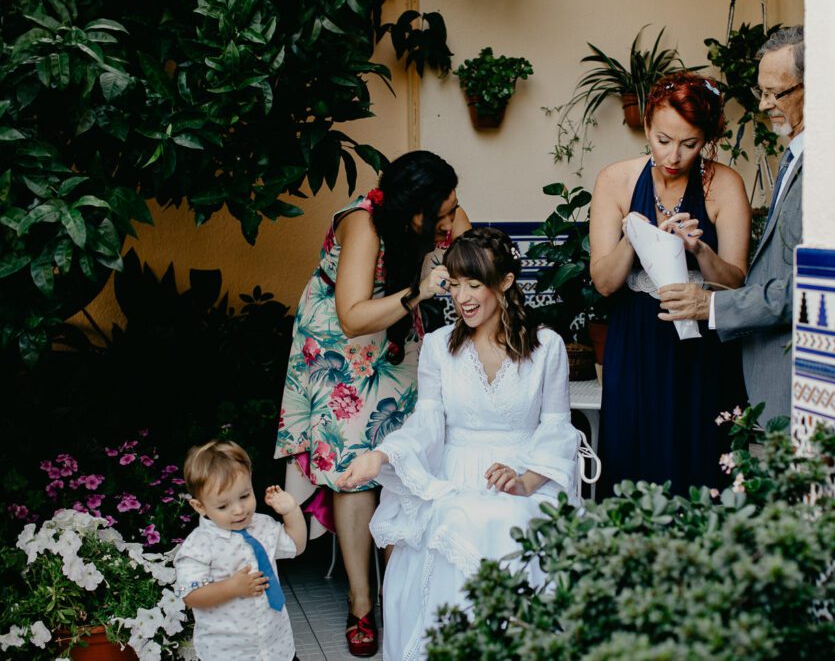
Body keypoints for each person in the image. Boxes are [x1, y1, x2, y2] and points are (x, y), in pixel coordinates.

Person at [337, 227, 581, 661]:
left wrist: (526, 480)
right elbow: (427, 422)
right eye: (454, 284)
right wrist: (382, 455)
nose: (462, 297)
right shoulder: (436, 347)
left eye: (475, 284)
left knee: (505, 532)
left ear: (505, 282)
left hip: (524, 475)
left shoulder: (547, 347)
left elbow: (558, 427)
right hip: (452, 475)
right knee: (449, 520)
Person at [274, 150, 471, 656]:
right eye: (443, 213)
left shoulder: (439, 216)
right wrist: (422, 289)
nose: (450, 220)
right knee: (355, 468)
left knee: (405, 456)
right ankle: (362, 603)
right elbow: (354, 317)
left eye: (452, 207)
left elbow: (476, 256)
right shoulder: (362, 224)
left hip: (400, 336)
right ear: (413, 211)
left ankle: (403, 589)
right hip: (346, 348)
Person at [590, 71, 751, 498]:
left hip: (703, 350)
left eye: (690, 143)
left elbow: (736, 284)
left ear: (707, 138)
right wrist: (634, 238)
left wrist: (700, 252)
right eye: (663, 140)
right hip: (636, 343)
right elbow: (605, 283)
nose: (674, 156)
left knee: (700, 461)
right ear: (646, 127)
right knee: (633, 460)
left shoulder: (726, 185)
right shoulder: (616, 181)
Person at [658, 26, 805, 423]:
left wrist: (713, 305)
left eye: (776, 93)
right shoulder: (795, 159)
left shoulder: (824, 170)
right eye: (762, 92)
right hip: (762, 370)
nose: (764, 105)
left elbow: (807, 288)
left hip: (792, 376)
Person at [174, 440, 307, 661]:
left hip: (276, 645)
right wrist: (231, 587)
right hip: (227, 652)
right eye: (223, 506)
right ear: (200, 506)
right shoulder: (199, 545)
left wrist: (291, 511)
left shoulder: (262, 525)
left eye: (244, 496)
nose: (238, 510)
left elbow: (296, 546)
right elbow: (191, 595)